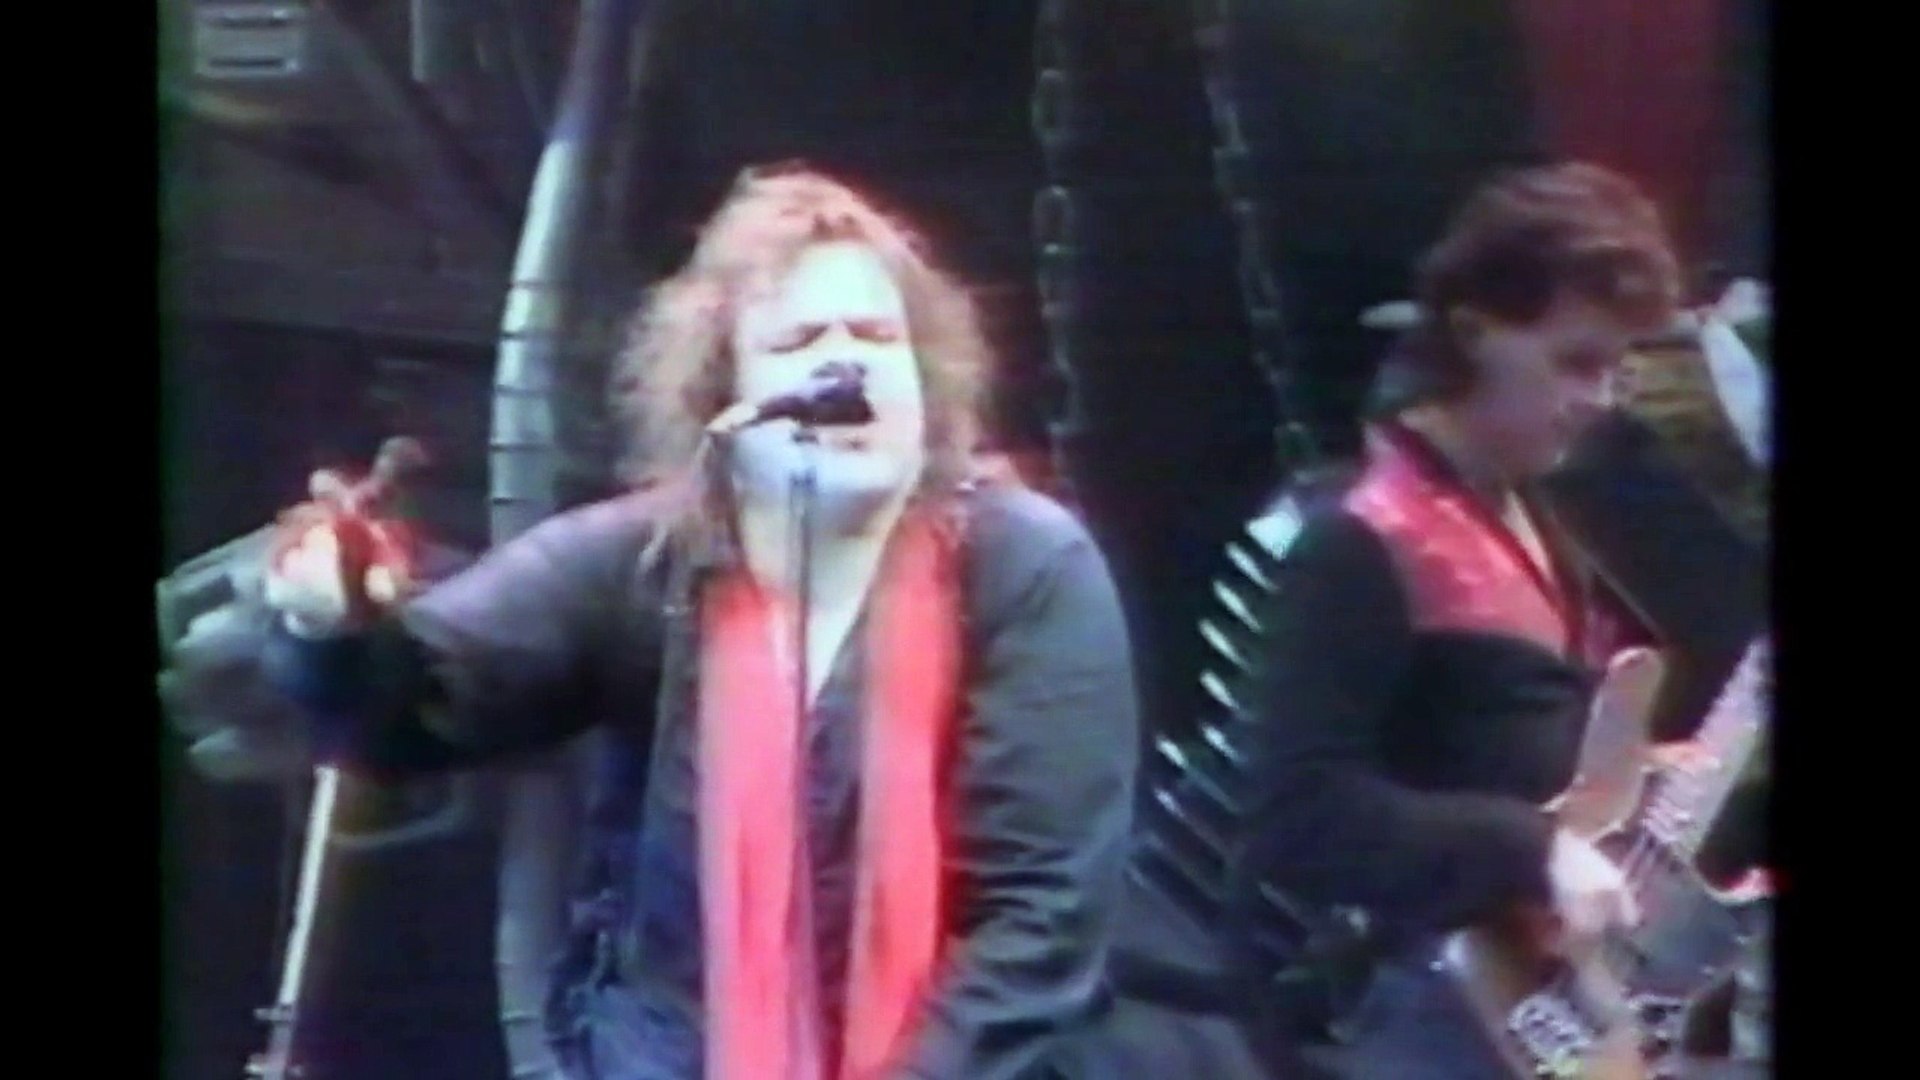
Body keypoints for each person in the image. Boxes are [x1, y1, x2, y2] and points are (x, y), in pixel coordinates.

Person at [252, 164, 1140, 1080]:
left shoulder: (1026, 565)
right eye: (800, 340)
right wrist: (331, 631)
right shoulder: (649, 558)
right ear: (727, 395)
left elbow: (1038, 918)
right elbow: (414, 706)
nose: (849, 363)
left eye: (878, 335)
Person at [1225, 161, 1682, 1077]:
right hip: (1418, 1018)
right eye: (1575, 362)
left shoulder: (1530, 509)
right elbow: (1296, 817)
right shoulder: (1363, 536)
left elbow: (1517, 751)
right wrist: (1528, 847)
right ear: (1473, 334)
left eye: (1615, 368)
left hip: (1516, 1009)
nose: (1600, 398)